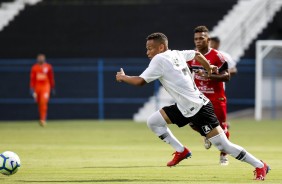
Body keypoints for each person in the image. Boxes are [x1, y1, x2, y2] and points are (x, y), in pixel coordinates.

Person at [116, 32, 269, 180]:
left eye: (150, 48)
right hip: (184, 107)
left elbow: (140, 82)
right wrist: (209, 68)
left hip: (199, 108)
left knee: (223, 146)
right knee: (153, 122)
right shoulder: (176, 53)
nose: (147, 52)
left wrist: (122, 77)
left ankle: (260, 165)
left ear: (161, 47)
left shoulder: (159, 59)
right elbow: (196, 54)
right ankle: (181, 151)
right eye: (147, 48)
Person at [187, 26, 231, 165]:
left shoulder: (217, 56)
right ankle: (207, 135)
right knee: (192, 123)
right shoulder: (191, 56)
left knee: (222, 127)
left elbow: (227, 76)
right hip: (198, 98)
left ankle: (223, 155)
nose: (198, 41)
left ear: (208, 40)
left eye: (201, 38)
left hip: (216, 97)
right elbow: (186, 74)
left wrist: (209, 75)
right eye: (196, 39)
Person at [30, 54, 55, 127]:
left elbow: (51, 77)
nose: (40, 60)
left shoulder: (48, 67)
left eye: (42, 58)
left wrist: (52, 87)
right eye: (39, 58)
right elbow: (32, 79)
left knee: (43, 102)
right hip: (37, 87)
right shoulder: (34, 68)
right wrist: (31, 88)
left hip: (45, 87)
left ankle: (43, 119)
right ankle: (41, 118)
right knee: (38, 102)